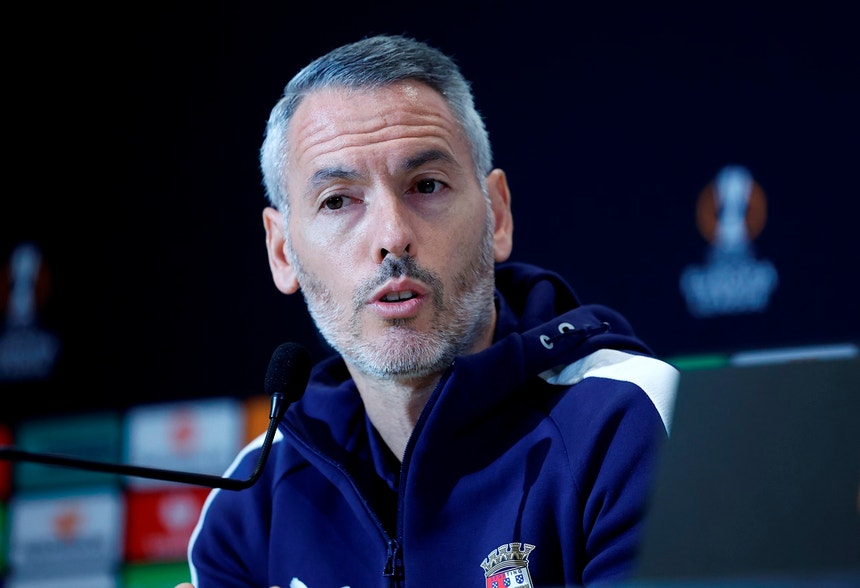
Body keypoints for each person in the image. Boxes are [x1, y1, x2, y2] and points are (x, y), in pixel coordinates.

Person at [175, 34, 678, 588]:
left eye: (427, 185)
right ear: (281, 252)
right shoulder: (253, 501)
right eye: (338, 200)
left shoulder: (630, 422)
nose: (392, 236)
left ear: (498, 215)